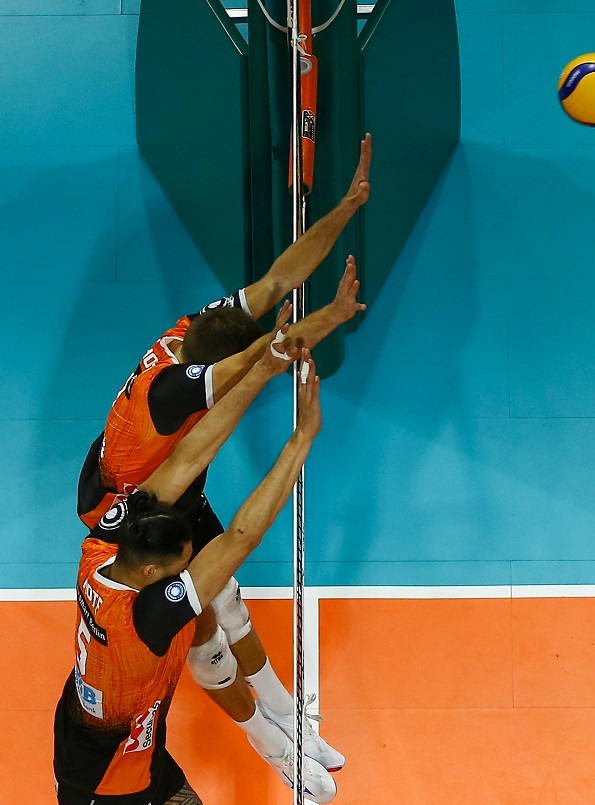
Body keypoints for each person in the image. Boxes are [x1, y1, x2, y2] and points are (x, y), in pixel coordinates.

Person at [75, 133, 371, 771]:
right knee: (200, 621)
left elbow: (278, 280)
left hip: (170, 482)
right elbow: (269, 354)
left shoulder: (194, 332)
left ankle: (291, 722)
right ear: (216, 369)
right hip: (127, 510)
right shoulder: (182, 391)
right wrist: (329, 319)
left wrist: (347, 207)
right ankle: (269, 745)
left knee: (228, 599)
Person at [55, 346, 339, 804]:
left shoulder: (103, 546)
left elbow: (186, 458)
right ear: (152, 570)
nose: (188, 568)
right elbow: (242, 537)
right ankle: (279, 747)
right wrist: (302, 438)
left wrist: (265, 365)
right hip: (113, 777)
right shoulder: (143, 622)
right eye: (180, 565)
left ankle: (281, 735)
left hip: (124, 743)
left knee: (212, 612)